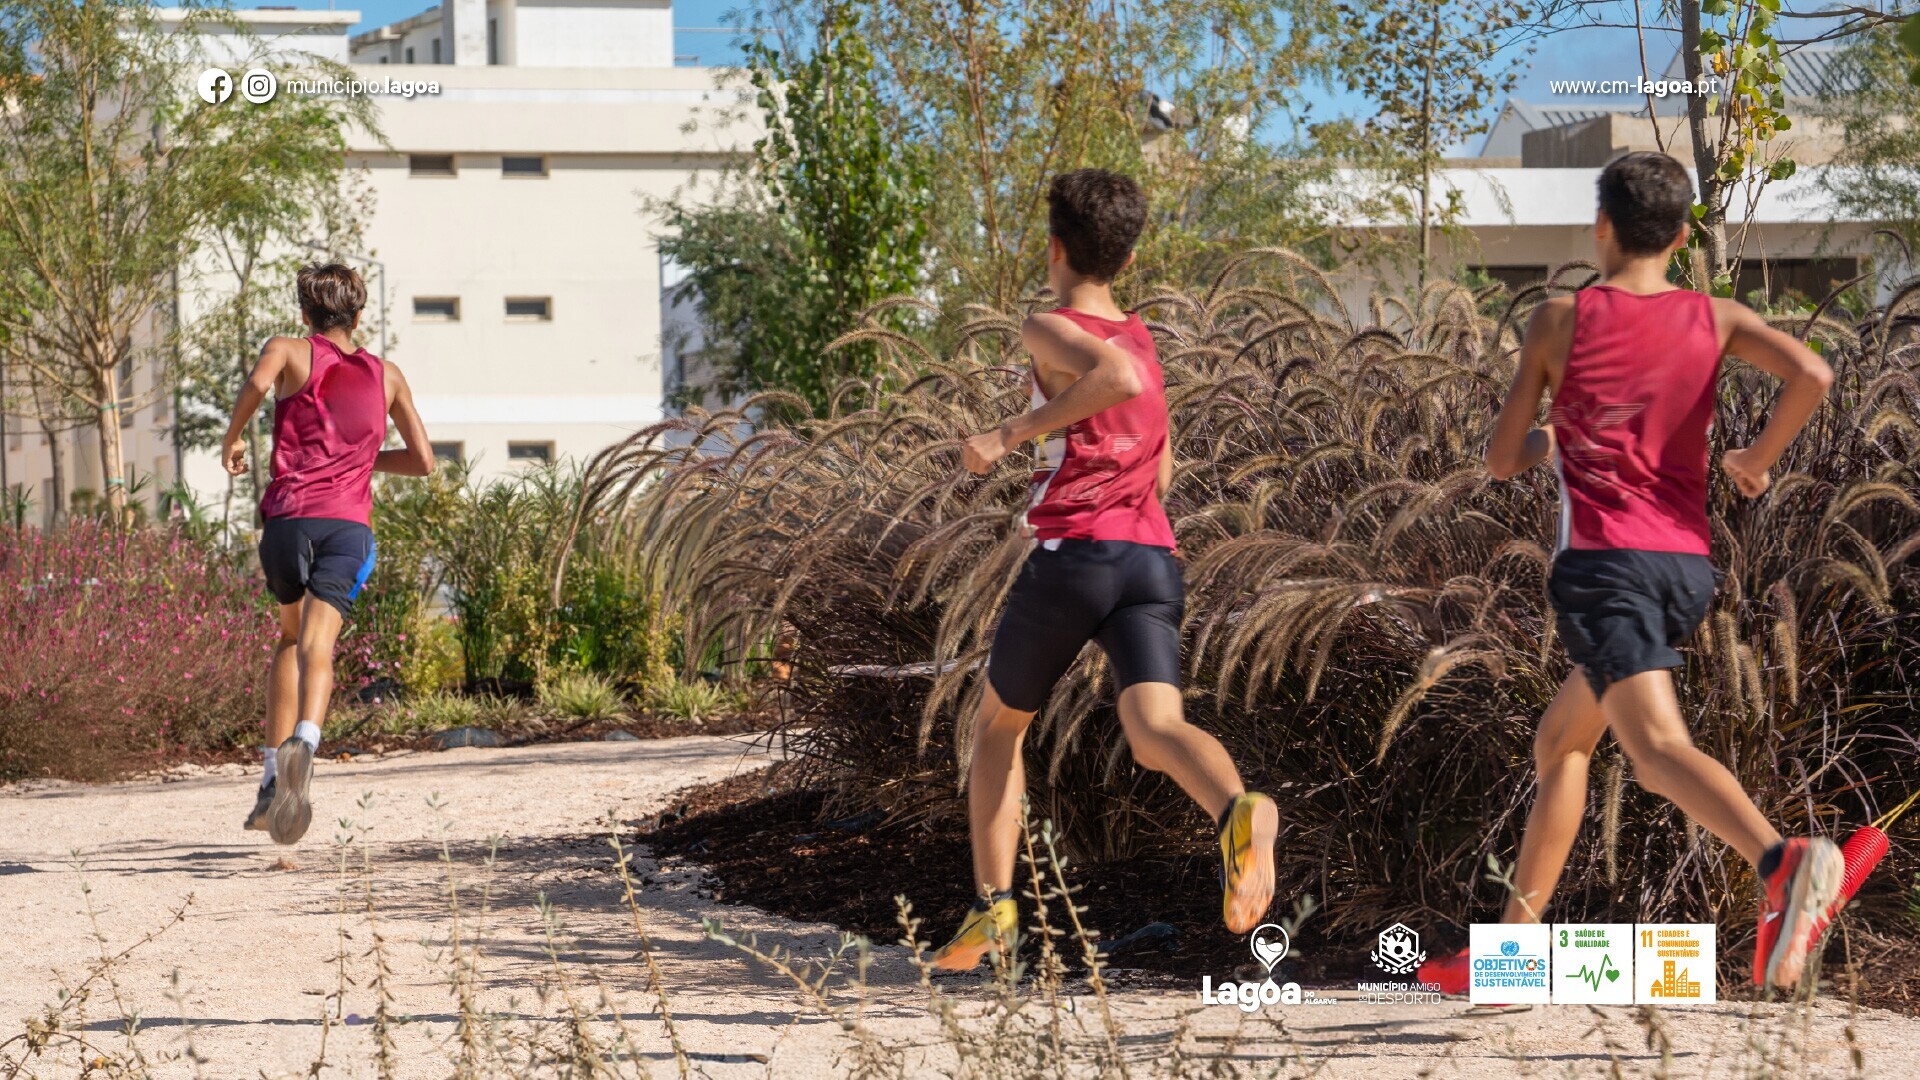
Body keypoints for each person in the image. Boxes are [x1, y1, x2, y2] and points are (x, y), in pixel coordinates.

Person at [1417, 151, 1845, 995]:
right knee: (1562, 743)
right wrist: (1757, 459)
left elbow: (1501, 459)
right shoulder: (1718, 316)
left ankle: (1784, 861)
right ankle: (1510, 956)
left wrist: (1552, 435)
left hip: (1605, 569)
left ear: (1601, 227)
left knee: (1653, 751)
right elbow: (1814, 373)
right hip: (1683, 569)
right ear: (1683, 238)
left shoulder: (1559, 319)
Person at [931, 169, 1278, 970]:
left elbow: (1113, 379)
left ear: (1054, 248)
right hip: (1150, 559)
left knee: (998, 727)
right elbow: (1161, 465)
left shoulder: (1048, 326)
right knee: (1155, 729)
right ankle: (1238, 808)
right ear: (1128, 258)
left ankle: (993, 912)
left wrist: (1007, 436)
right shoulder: (1144, 335)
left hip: (1076, 557)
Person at [222, 263, 434, 845]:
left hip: (288, 523)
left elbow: (257, 385)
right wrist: (361, 461)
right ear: (358, 316)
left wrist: (233, 438)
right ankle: (306, 743)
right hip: (347, 529)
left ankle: (272, 779)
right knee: (319, 645)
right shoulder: (387, 375)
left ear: (305, 314)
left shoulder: (287, 350)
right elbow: (422, 461)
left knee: (291, 640)